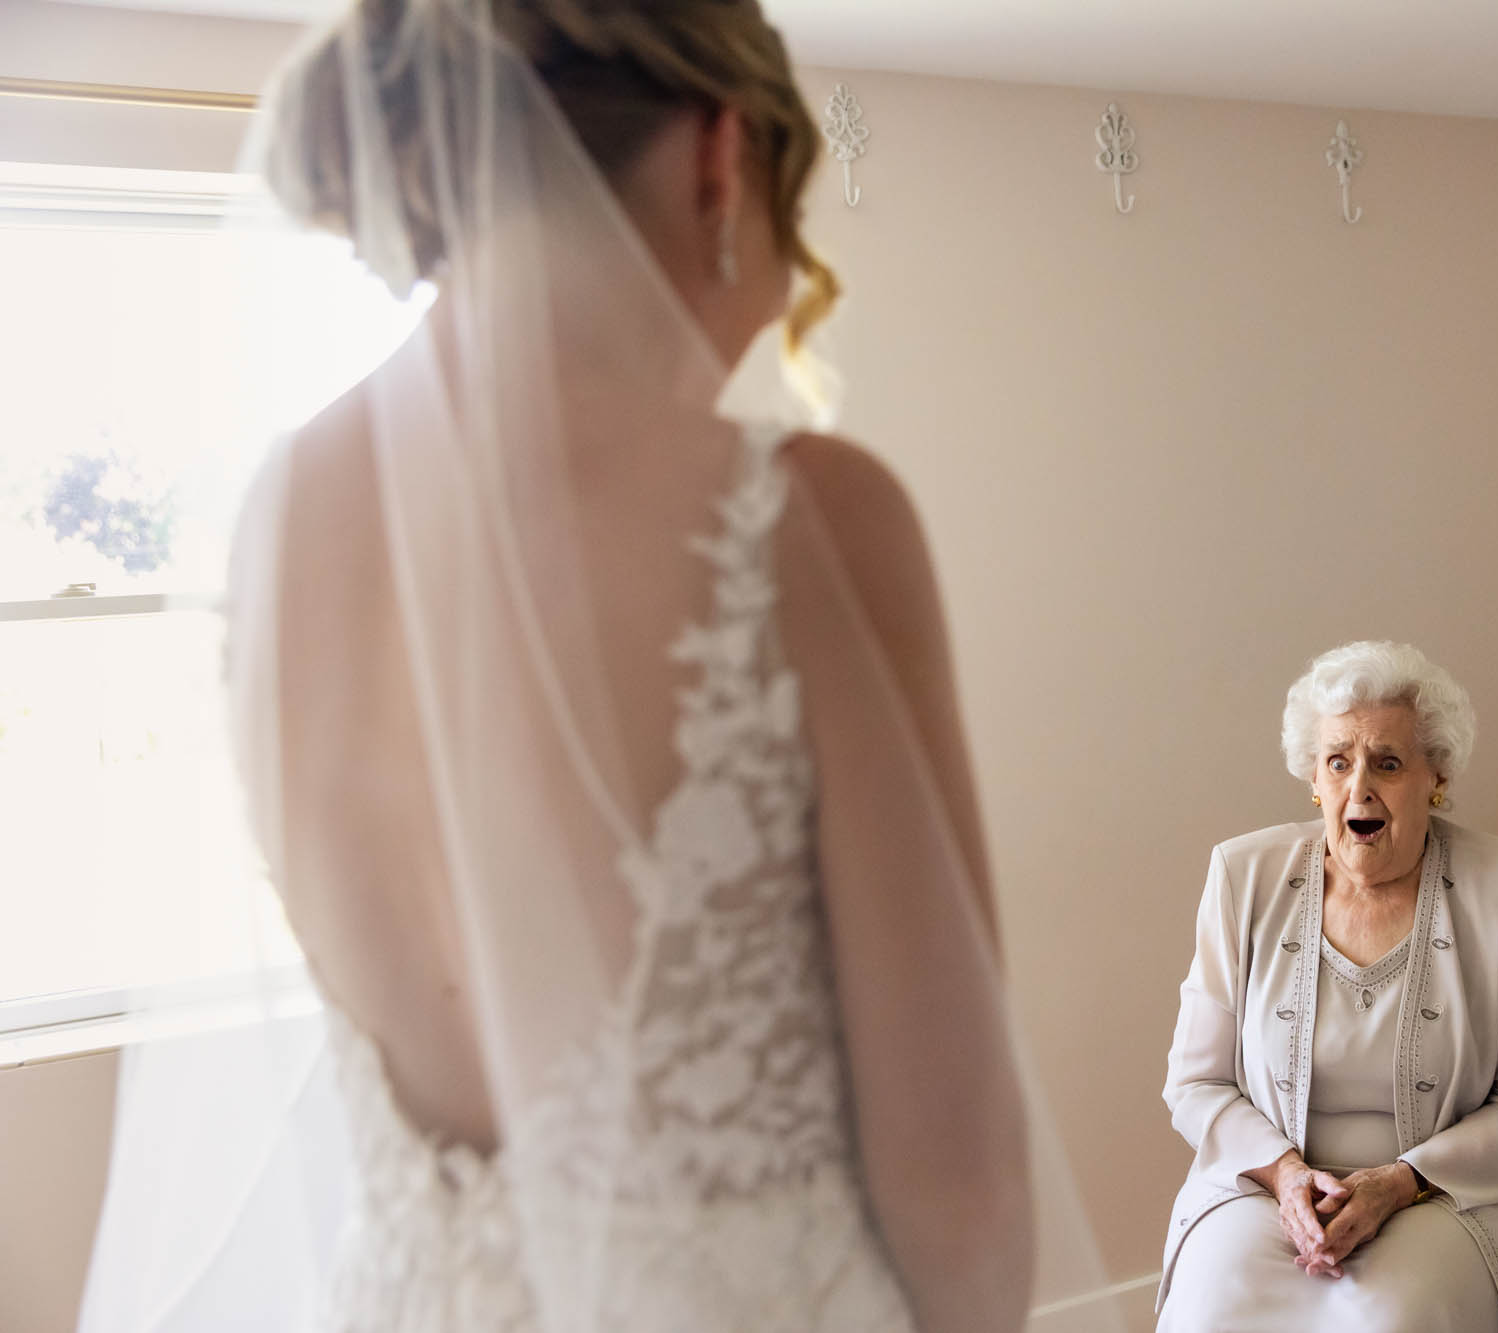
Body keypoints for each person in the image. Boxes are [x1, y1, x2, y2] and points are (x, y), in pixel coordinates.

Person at [79, 1, 1066, 1328]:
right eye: (791, 219)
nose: (779, 303)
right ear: (722, 159)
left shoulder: (274, 522)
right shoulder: (804, 522)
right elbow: (966, 1191)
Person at [1155, 641, 1498, 1332]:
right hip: (1265, 1190)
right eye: (1338, 761)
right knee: (1211, 1313)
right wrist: (1286, 1174)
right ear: (1314, 781)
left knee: (1389, 1322)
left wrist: (1398, 1183)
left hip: (1443, 1195)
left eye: (1388, 762)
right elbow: (1195, 1083)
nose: (1360, 788)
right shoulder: (1242, 876)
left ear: (1435, 777)